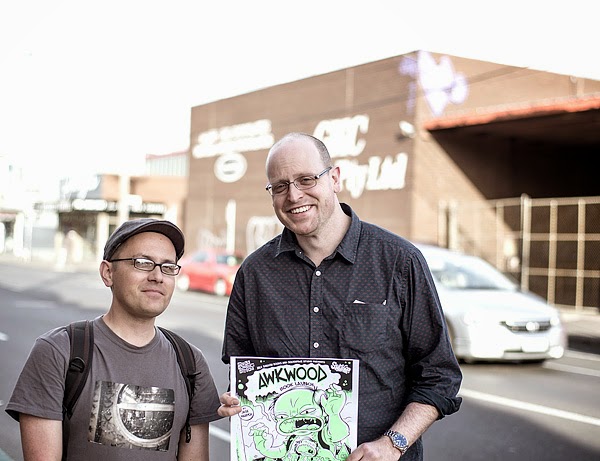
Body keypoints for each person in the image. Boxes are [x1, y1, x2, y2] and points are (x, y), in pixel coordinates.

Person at [218, 133, 462, 460]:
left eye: (306, 180)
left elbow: (439, 376)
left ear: (334, 178)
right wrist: (237, 402)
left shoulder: (399, 262)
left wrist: (393, 444)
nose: (294, 195)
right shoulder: (254, 274)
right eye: (280, 186)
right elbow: (242, 373)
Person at [6, 218, 222, 461]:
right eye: (143, 263)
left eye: (168, 266)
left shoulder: (191, 363)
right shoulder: (58, 351)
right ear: (108, 273)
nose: (157, 276)